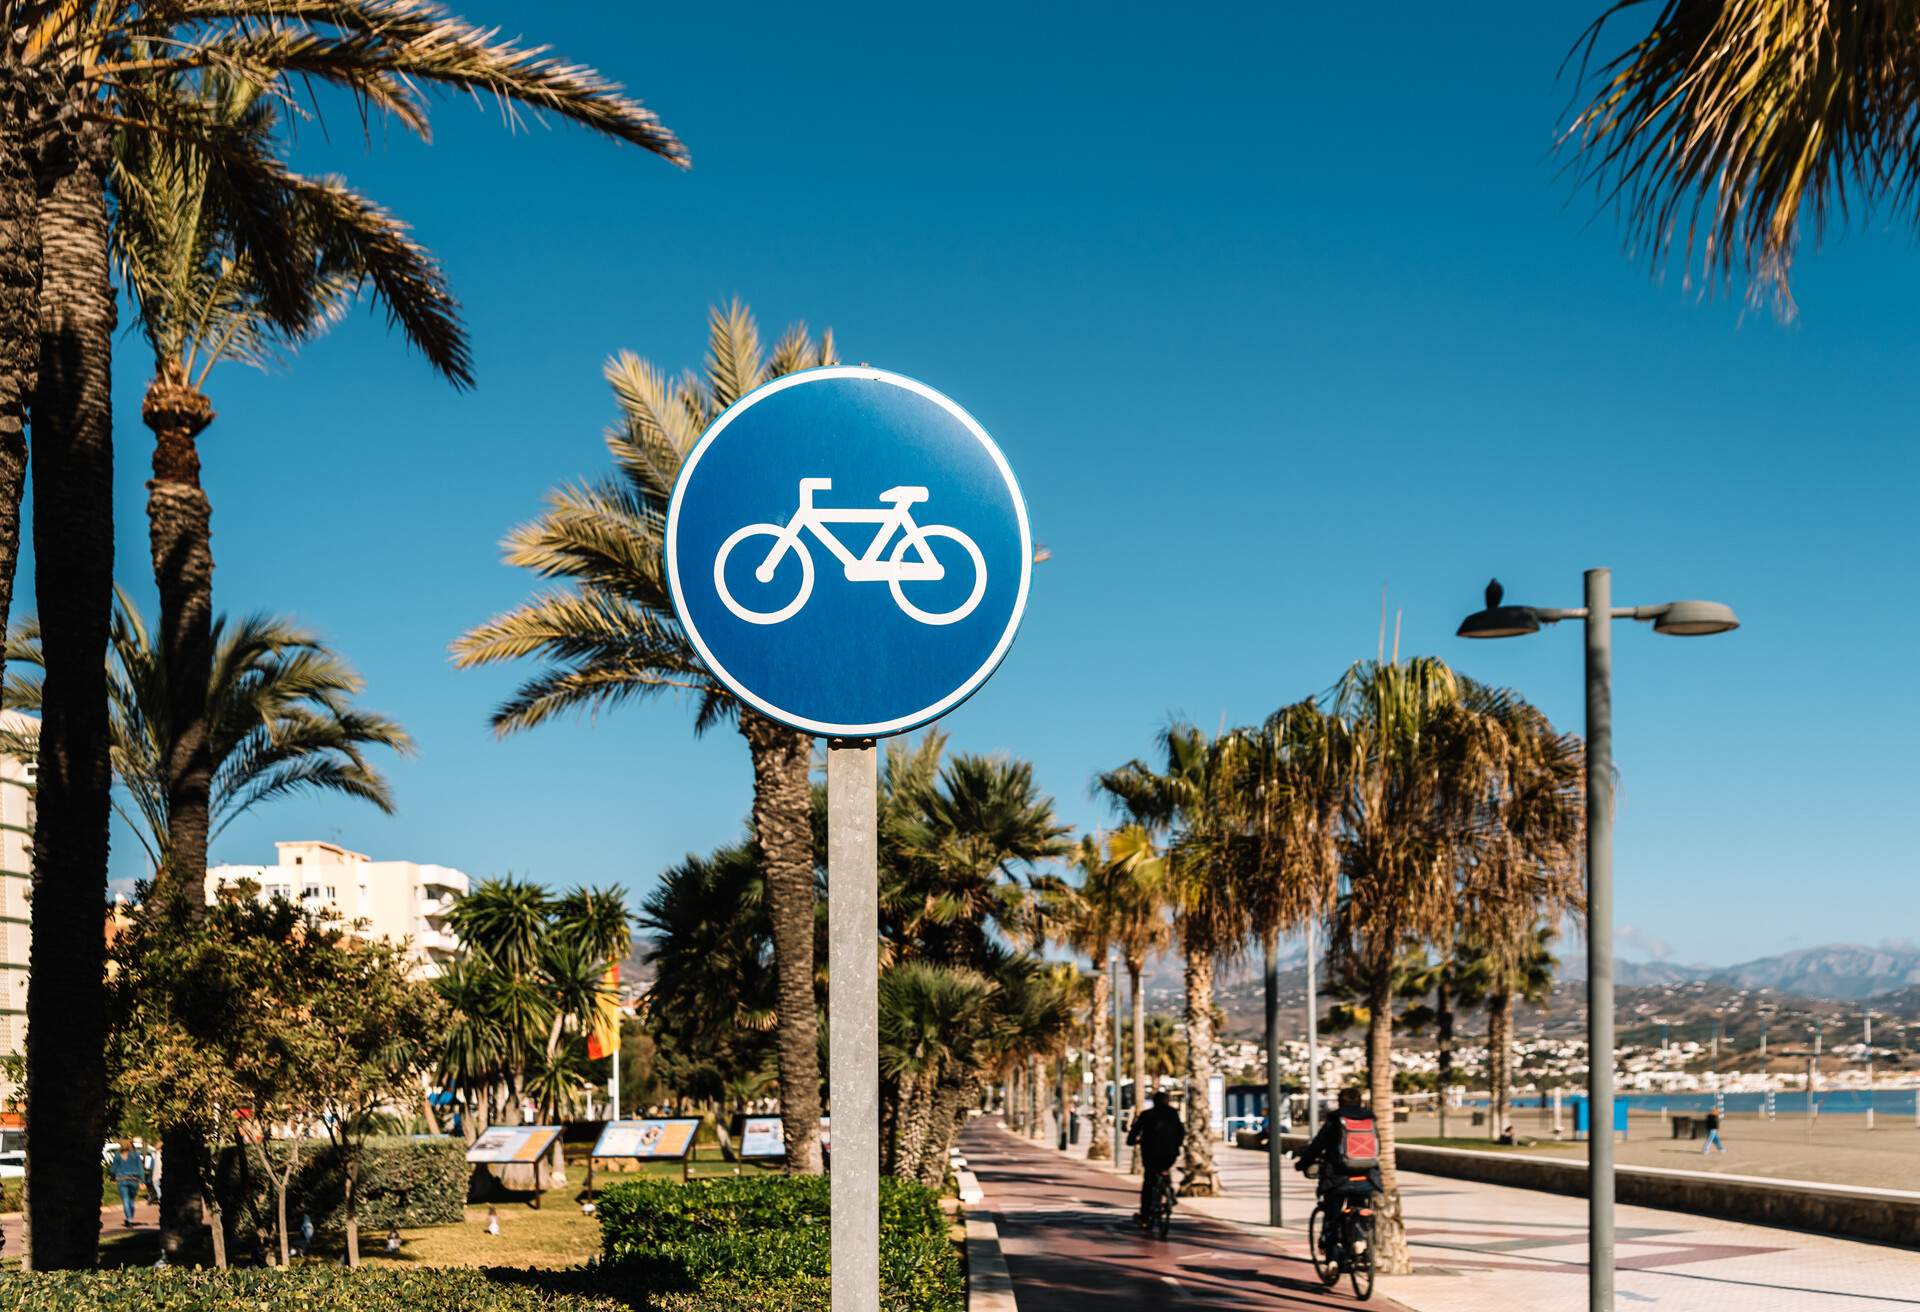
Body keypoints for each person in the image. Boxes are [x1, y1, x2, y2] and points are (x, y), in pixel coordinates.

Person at [1294, 1088, 1383, 1257]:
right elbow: (1379, 1147)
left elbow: (1317, 1146)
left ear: (1340, 1102)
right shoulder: (1369, 1120)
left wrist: (1302, 1164)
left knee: (1332, 1217)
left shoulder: (1335, 1120)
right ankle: (1359, 1241)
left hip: (1338, 1179)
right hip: (1366, 1177)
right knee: (1359, 1208)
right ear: (1360, 1101)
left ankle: (1333, 1260)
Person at [1125, 1089, 1184, 1226]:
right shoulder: (1173, 1114)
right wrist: (1176, 1144)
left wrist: (1132, 1141)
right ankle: (1169, 1192)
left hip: (1151, 1154)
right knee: (1165, 1169)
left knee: (1149, 1183)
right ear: (1167, 1101)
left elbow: (1134, 1132)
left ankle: (1145, 1216)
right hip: (1170, 1154)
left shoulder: (1147, 1115)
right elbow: (1181, 1131)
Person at [109, 1138, 145, 1226]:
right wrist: (142, 1181)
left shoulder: (118, 1155)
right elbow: (140, 1168)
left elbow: (113, 1169)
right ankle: (130, 1218)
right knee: (131, 1201)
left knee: (125, 1200)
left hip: (122, 1180)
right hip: (134, 1180)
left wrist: (112, 1177)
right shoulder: (136, 1154)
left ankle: (129, 1219)